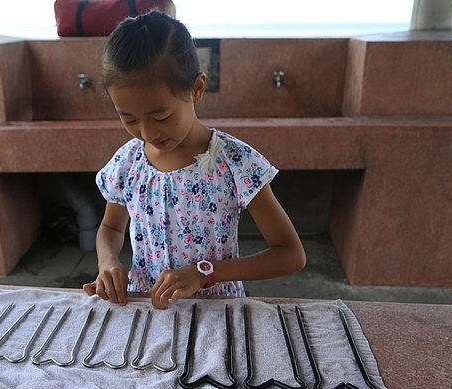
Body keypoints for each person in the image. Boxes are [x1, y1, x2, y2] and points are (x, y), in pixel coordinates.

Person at [83, 11, 305, 309]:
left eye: (162, 116)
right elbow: (110, 229)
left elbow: (290, 253)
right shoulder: (128, 163)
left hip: (216, 314)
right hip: (146, 309)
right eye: (130, 119)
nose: (147, 132)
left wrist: (205, 273)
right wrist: (108, 261)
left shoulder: (234, 162)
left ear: (196, 89)